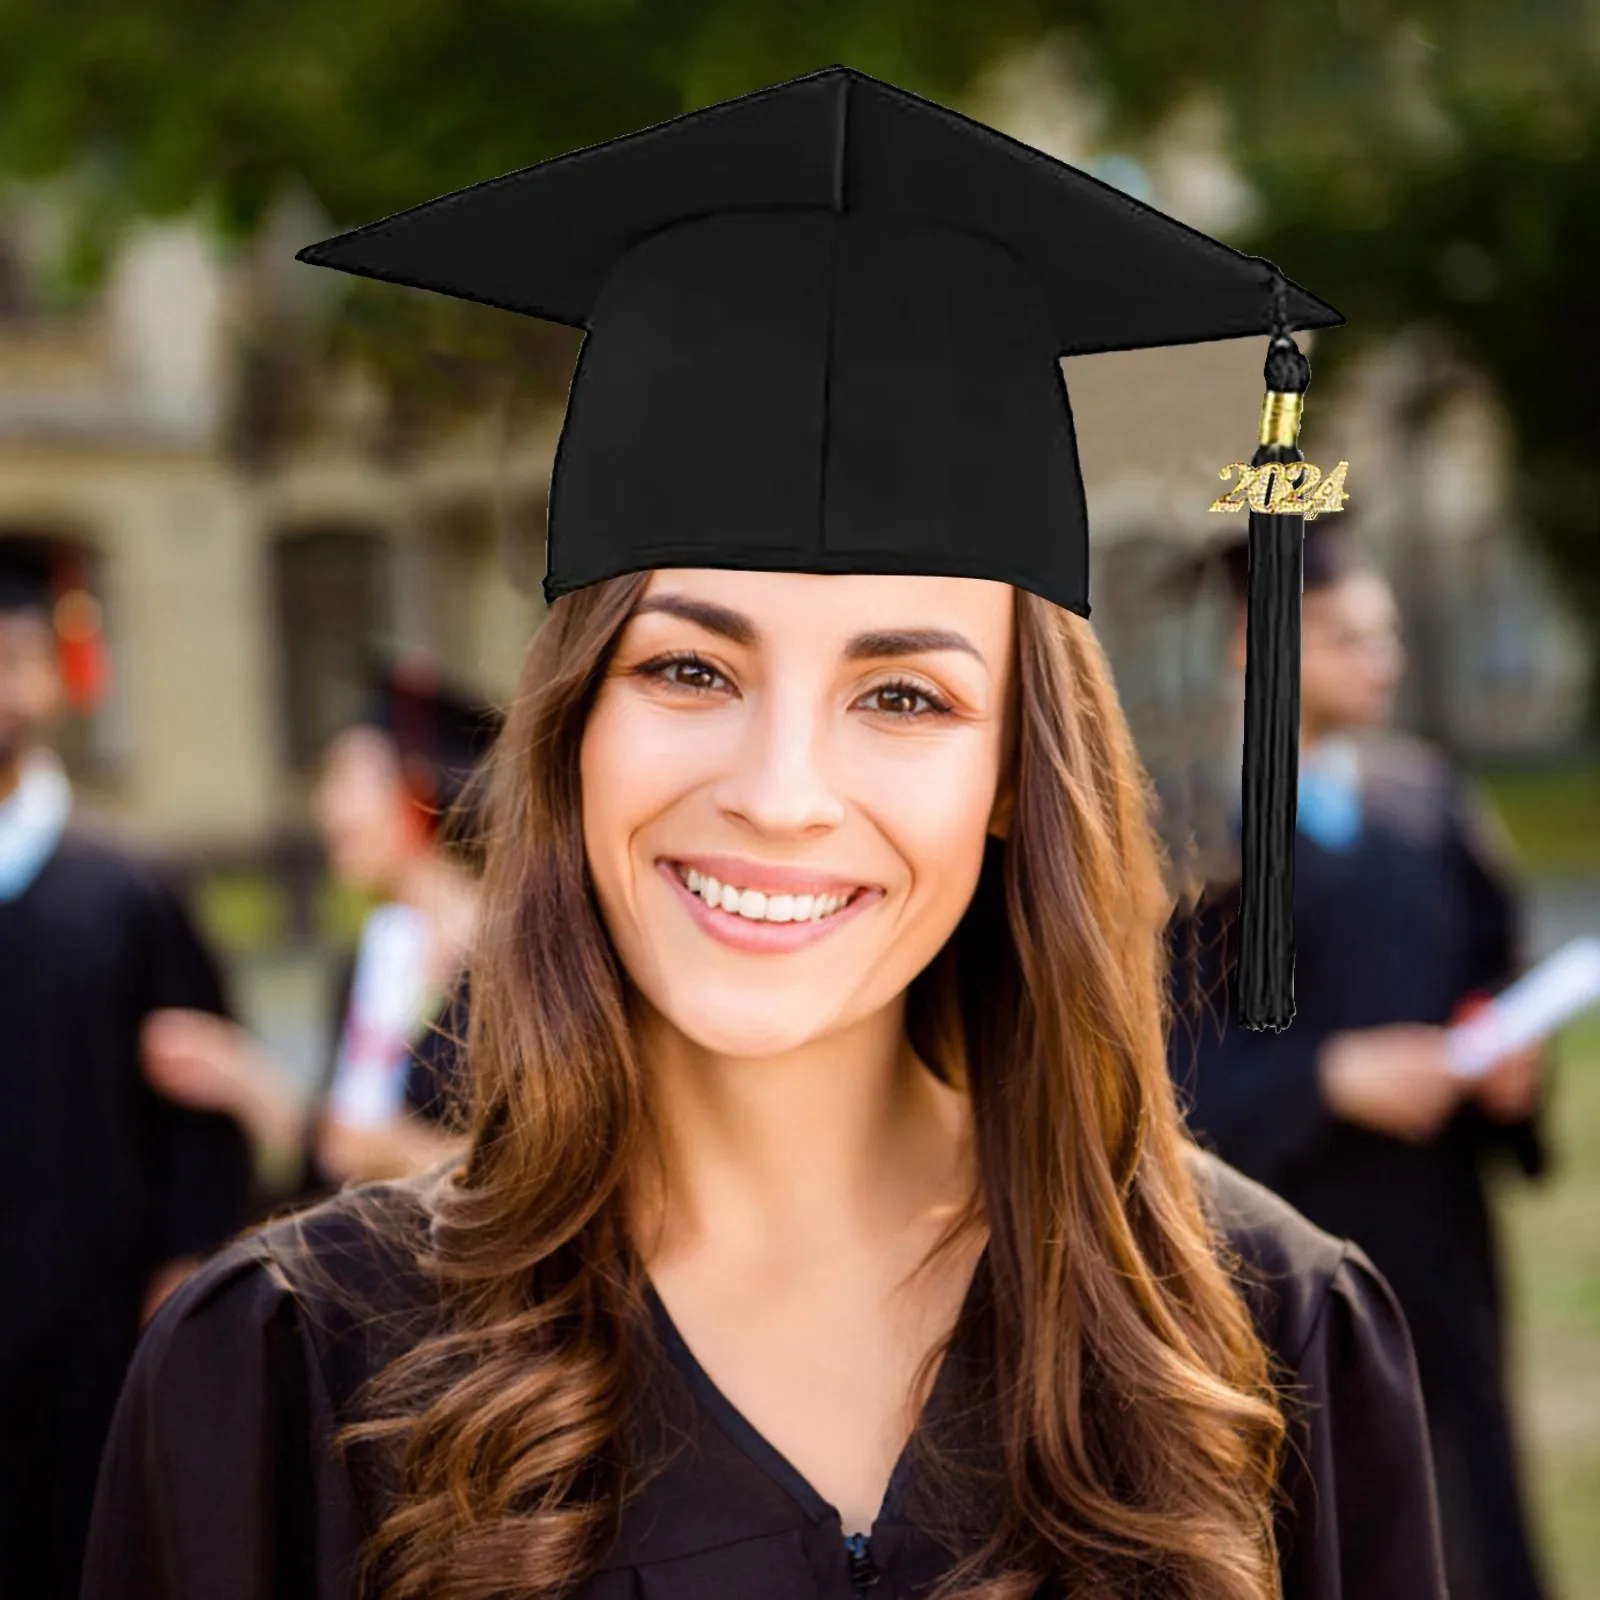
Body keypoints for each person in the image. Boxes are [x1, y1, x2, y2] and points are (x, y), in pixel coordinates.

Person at [85, 68, 1448, 1600]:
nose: (782, 788)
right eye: (688, 667)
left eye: (906, 697)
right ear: (575, 728)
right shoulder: (289, 1375)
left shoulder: (1263, 1342)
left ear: (1014, 775)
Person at [1167, 521, 1551, 1600]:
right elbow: (1148, 1069)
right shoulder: (1195, 833)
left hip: (1434, 1225)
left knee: (1469, 1495)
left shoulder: (1423, 800)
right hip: (1277, 1249)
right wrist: (1327, 1079)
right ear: (1257, 640)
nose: (1380, 657)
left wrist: (1511, 1071)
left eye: (1382, 633)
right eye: (1344, 635)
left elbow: (1490, 967)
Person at [0, 537, 251, 1598]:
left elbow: (202, 1117)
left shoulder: (128, 892)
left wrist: (183, 1269)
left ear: (53, 681)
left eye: (8, 660)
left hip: (97, 1338)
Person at [140, 654, 498, 1197]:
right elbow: (341, 1150)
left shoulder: (513, 957)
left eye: (346, 779)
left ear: (417, 788)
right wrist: (242, 1078)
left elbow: (550, 1167)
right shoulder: (377, 955)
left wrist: (408, 1154)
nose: (324, 806)